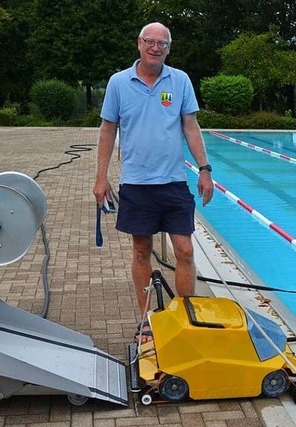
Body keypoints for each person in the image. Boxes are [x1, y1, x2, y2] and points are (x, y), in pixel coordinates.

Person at [92, 22, 214, 342]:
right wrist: (101, 178)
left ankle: (185, 316)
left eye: (162, 43)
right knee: (141, 250)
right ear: (139, 43)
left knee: (185, 250)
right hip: (136, 183)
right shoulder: (119, 82)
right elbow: (108, 130)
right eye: (150, 41)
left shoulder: (180, 80)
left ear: (169, 48)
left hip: (173, 181)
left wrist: (204, 169)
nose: (156, 48)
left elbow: (190, 126)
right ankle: (148, 320)